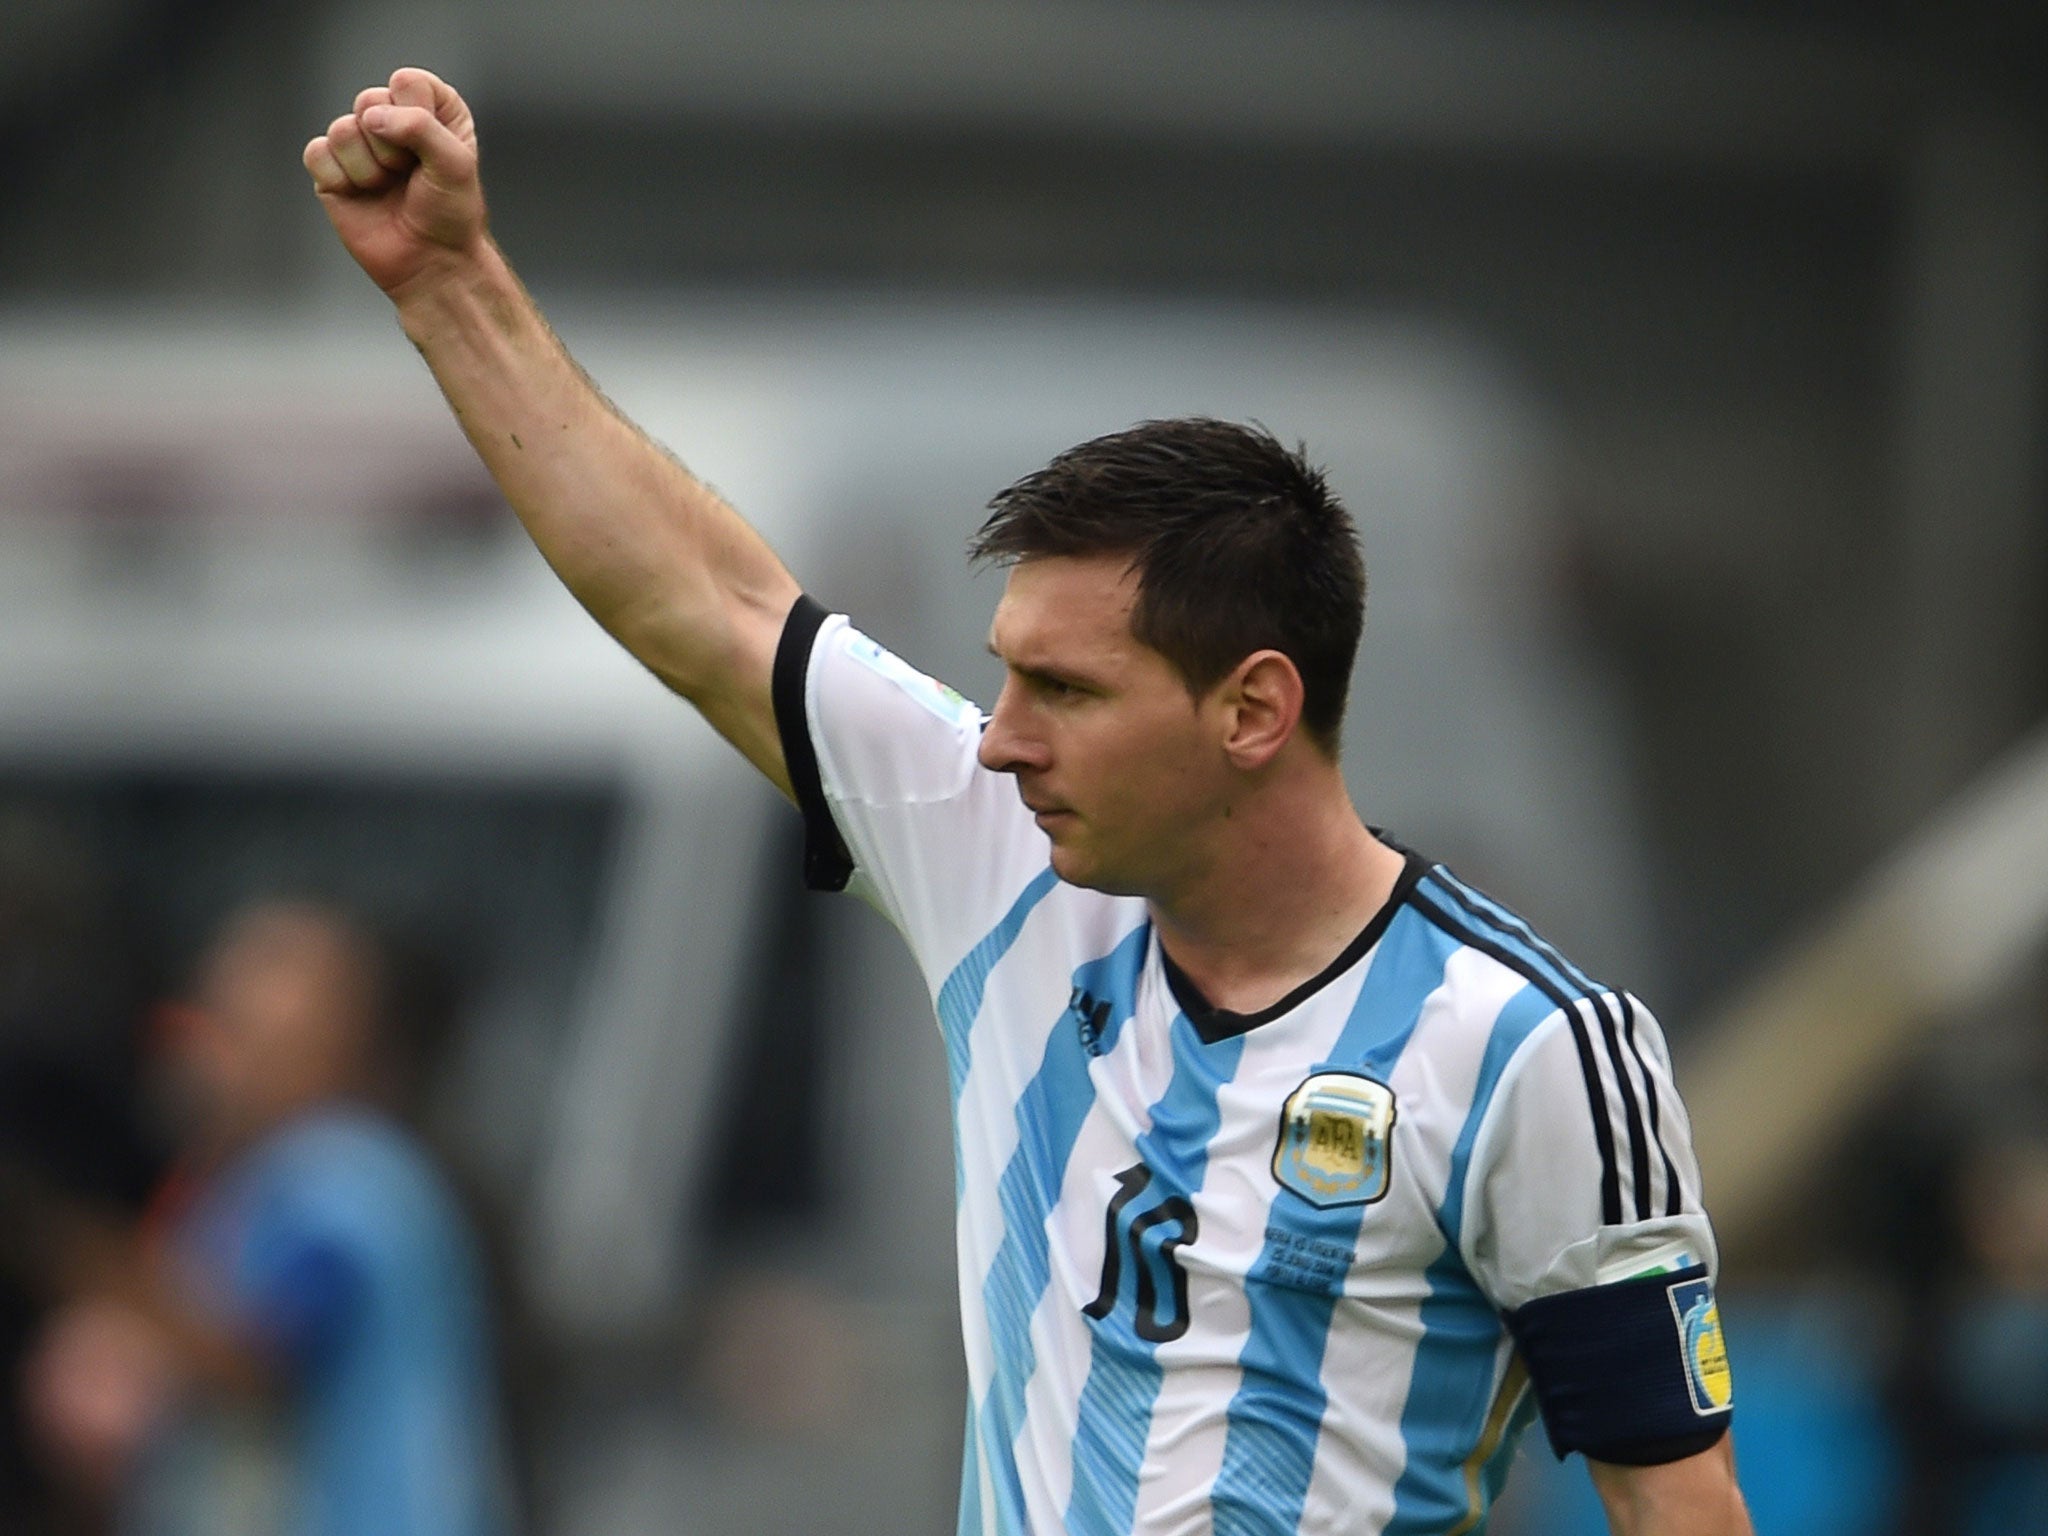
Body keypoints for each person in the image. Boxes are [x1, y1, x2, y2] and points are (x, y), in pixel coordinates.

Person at [302, 69, 1752, 1536]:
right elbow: (706, 607)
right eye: (1004, 681)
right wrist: (447, 282)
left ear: (1254, 708)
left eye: (1064, 692)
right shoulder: (997, 862)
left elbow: (1679, 1504)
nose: (996, 744)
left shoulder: (1535, 1048)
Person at [19, 901, 513, 1536]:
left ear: (345, 1035)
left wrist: (53, 1241)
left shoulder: (350, 1170)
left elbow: (254, 1352)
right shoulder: (249, 1182)